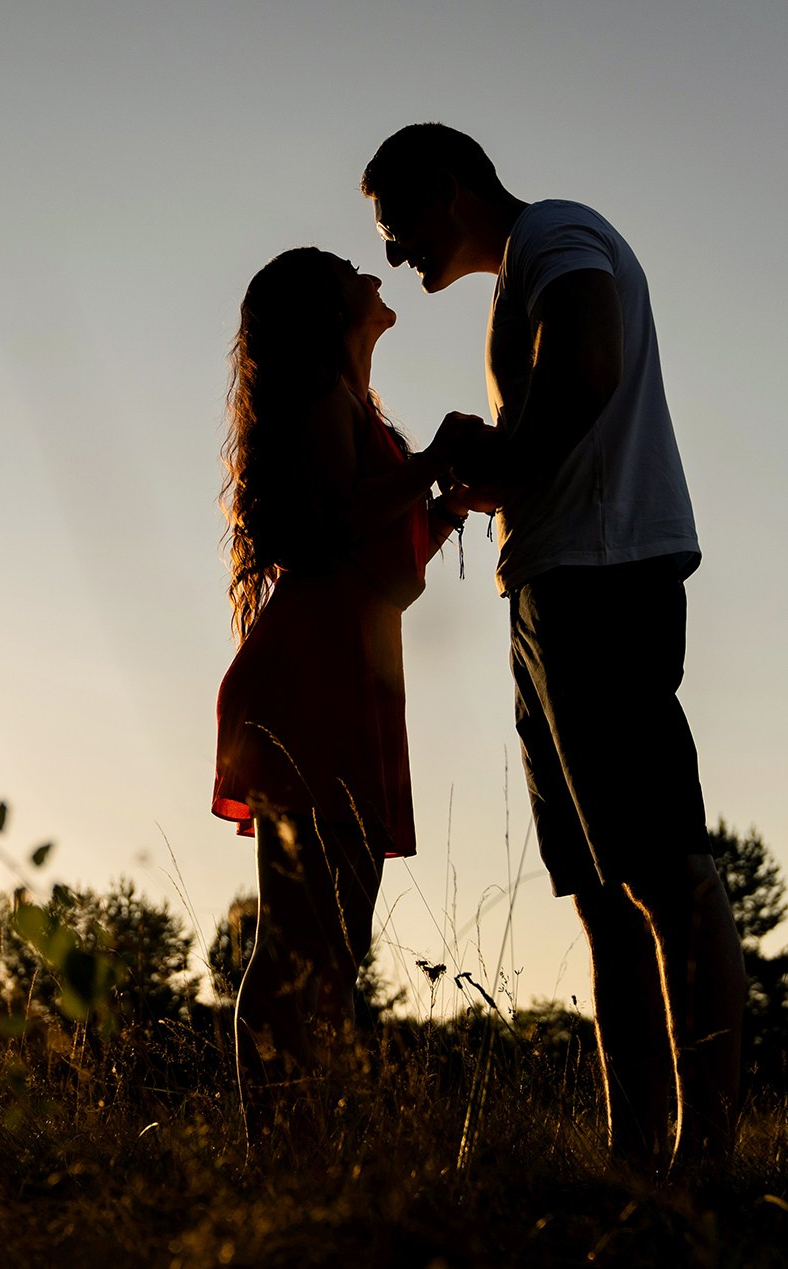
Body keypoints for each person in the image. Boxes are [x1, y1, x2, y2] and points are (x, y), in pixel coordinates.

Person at [361, 123, 747, 1170]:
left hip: (600, 578)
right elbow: (555, 420)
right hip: (548, 587)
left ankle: (704, 1162)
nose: (395, 254)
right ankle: (636, 1165)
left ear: (447, 187)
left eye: (396, 226)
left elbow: (586, 363)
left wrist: (513, 455)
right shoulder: (517, 272)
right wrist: (498, 477)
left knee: (662, 870)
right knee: (597, 893)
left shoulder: (556, 235)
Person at [211, 246, 475, 1138]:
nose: (371, 273)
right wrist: (432, 462)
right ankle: (278, 1149)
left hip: (345, 666)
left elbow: (373, 559)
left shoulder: (356, 410)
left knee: (334, 944)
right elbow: (327, 526)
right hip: (313, 675)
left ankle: (300, 1139)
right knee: (301, 941)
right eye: (347, 269)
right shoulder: (324, 398)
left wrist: (439, 509)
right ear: (326, 309)